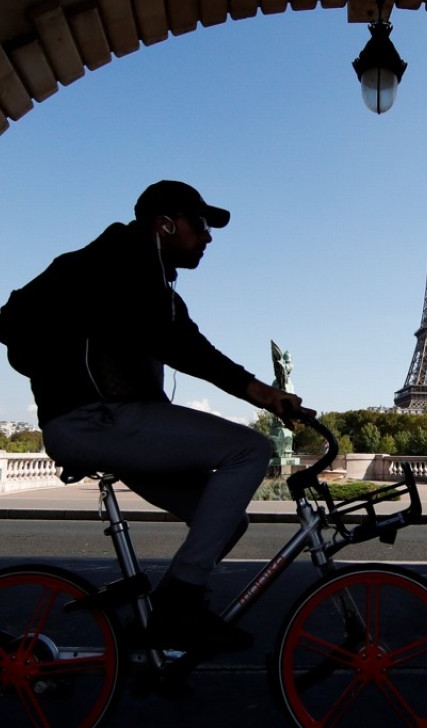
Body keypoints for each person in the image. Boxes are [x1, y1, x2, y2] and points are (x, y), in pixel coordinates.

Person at [0, 180, 313, 653]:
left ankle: (148, 639)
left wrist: (267, 395)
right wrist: (265, 395)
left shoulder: (147, 277)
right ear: (166, 224)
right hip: (98, 419)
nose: (208, 238)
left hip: (110, 423)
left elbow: (188, 344)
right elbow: (185, 347)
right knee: (250, 448)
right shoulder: (120, 262)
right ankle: (178, 606)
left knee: (227, 520)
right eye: (201, 225)